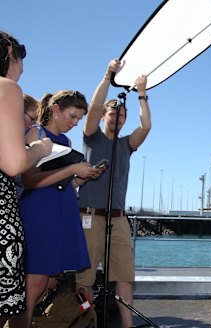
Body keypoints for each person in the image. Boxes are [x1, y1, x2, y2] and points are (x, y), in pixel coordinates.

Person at [12, 90, 102, 327]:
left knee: (44, 284)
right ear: (56, 110)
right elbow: (30, 181)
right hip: (40, 212)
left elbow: (62, 182)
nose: (74, 123)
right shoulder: (36, 133)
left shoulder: (68, 142)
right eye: (72, 116)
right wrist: (72, 170)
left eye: (78, 119)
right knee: (34, 286)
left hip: (60, 211)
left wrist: (81, 178)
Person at [76, 59, 151, 328]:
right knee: (84, 278)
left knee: (123, 275)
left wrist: (142, 93)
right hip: (89, 217)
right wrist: (109, 75)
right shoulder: (91, 136)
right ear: (105, 117)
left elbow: (145, 127)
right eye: (113, 114)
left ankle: (127, 325)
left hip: (118, 220)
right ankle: (89, 323)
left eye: (121, 116)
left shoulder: (126, 145)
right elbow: (94, 107)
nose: (117, 118)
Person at [0, 30, 53, 326]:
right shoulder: (6, 88)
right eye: (22, 62)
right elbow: (13, 164)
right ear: (10, 51)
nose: (22, 71)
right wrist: (38, 147)